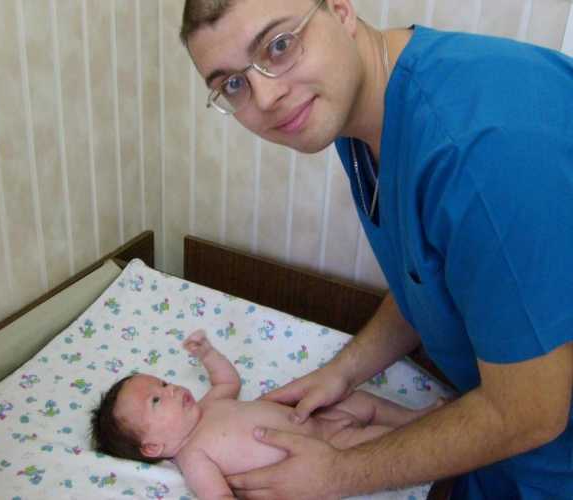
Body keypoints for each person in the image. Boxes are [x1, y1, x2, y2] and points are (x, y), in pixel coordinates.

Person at [180, 0, 573, 499]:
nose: (268, 96)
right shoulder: (360, 115)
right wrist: (341, 372)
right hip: (504, 446)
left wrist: (336, 474)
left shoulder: (478, 153)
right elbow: (426, 276)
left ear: (340, 10)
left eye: (279, 46)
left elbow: (530, 412)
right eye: (234, 84)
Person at [90, 329, 442, 500]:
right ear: (153, 447)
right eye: (156, 400)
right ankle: (423, 435)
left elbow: (228, 380)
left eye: (164, 383)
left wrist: (208, 354)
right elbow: (219, 497)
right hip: (326, 451)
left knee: (361, 399)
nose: (170, 390)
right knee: (375, 443)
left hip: (314, 416)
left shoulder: (208, 405)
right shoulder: (193, 456)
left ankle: (414, 417)